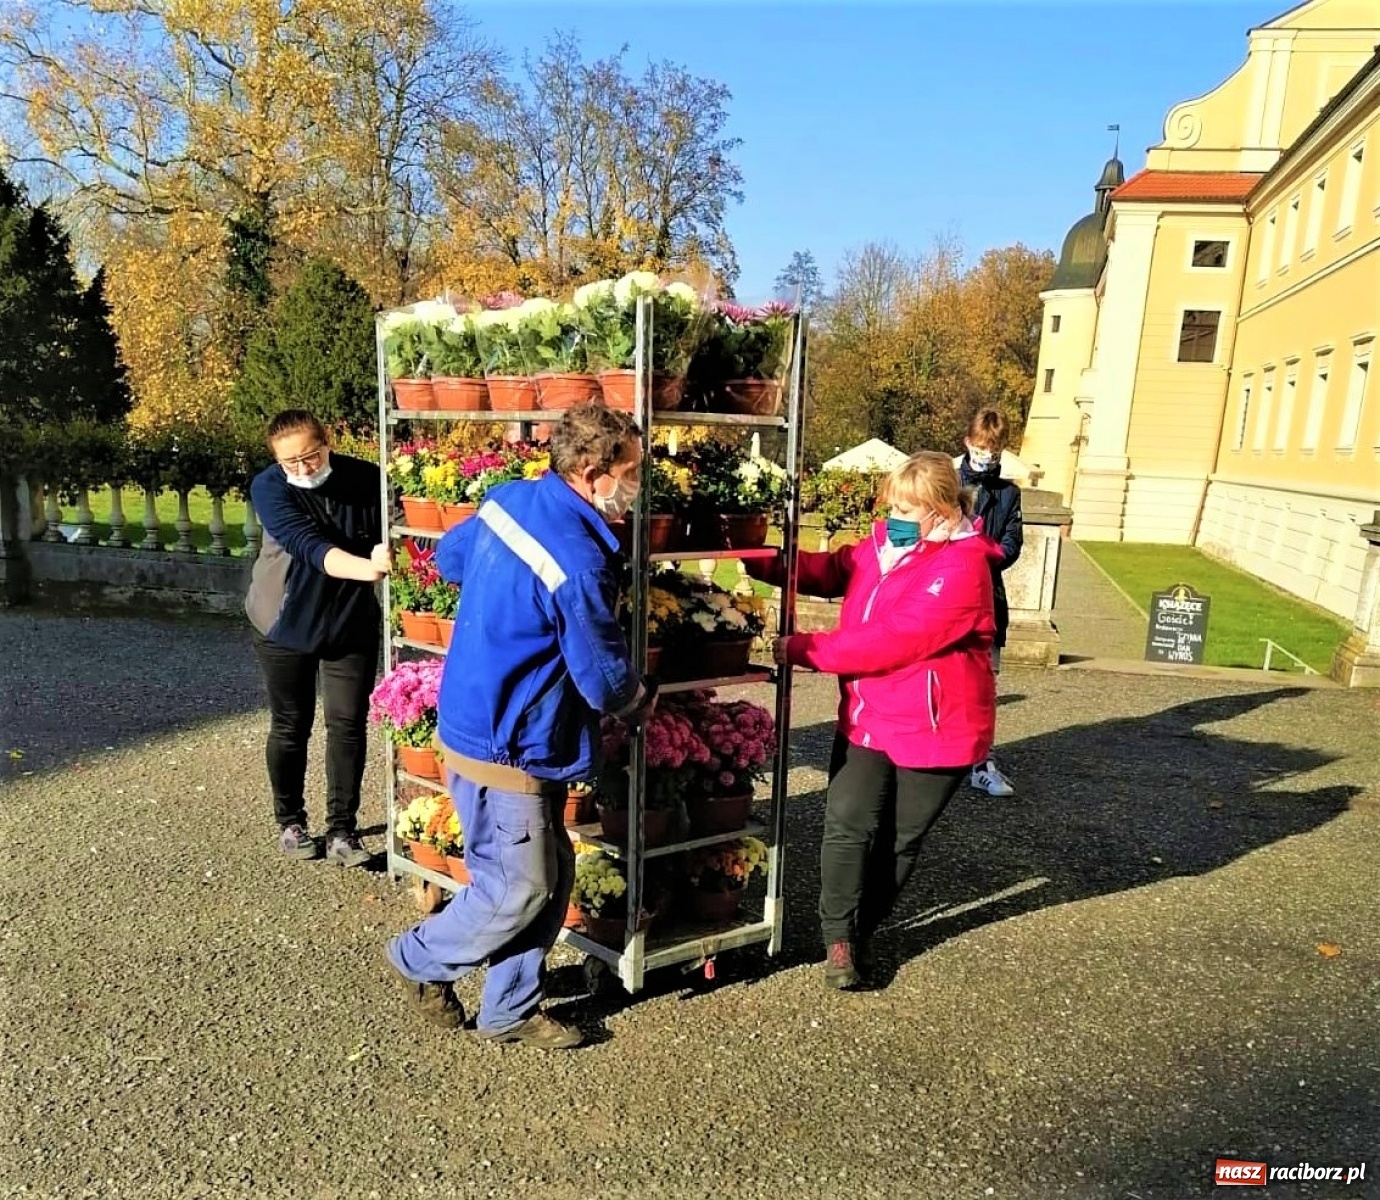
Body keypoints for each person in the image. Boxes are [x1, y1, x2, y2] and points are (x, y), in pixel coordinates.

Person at [387, 403, 656, 1049]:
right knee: (522, 886)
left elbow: (450, 558)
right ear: (592, 473)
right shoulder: (578, 560)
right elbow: (603, 678)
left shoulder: (510, 499)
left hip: (492, 721)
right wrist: (639, 699)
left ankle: (509, 1008)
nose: (639, 486)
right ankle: (419, 960)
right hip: (508, 738)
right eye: (633, 472)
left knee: (550, 875)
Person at [755, 451, 1001, 989]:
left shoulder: (962, 567)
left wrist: (799, 647)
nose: (896, 516)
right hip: (868, 716)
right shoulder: (881, 546)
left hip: (936, 726)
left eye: (909, 507)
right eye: (892, 504)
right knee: (846, 822)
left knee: (899, 839)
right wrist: (760, 558)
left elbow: (894, 640)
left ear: (941, 510)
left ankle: (865, 927)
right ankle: (838, 940)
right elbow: (830, 569)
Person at [245, 409, 390, 867]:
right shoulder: (269, 487)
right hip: (284, 623)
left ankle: (343, 829)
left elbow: (398, 528)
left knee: (347, 724)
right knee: (291, 724)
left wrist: (391, 547)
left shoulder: (368, 479)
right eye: (291, 463)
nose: (303, 469)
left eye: (311, 456)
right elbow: (310, 548)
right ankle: (290, 821)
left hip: (350, 622)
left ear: (328, 443)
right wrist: (371, 568)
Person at [954, 408, 1023, 798]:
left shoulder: (1009, 493)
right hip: (947, 594)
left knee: (984, 686)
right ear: (968, 442)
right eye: (981, 447)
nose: (987, 454)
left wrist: (982, 555)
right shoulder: (947, 480)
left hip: (987, 597)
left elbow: (1012, 542)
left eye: (993, 449)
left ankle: (982, 764)